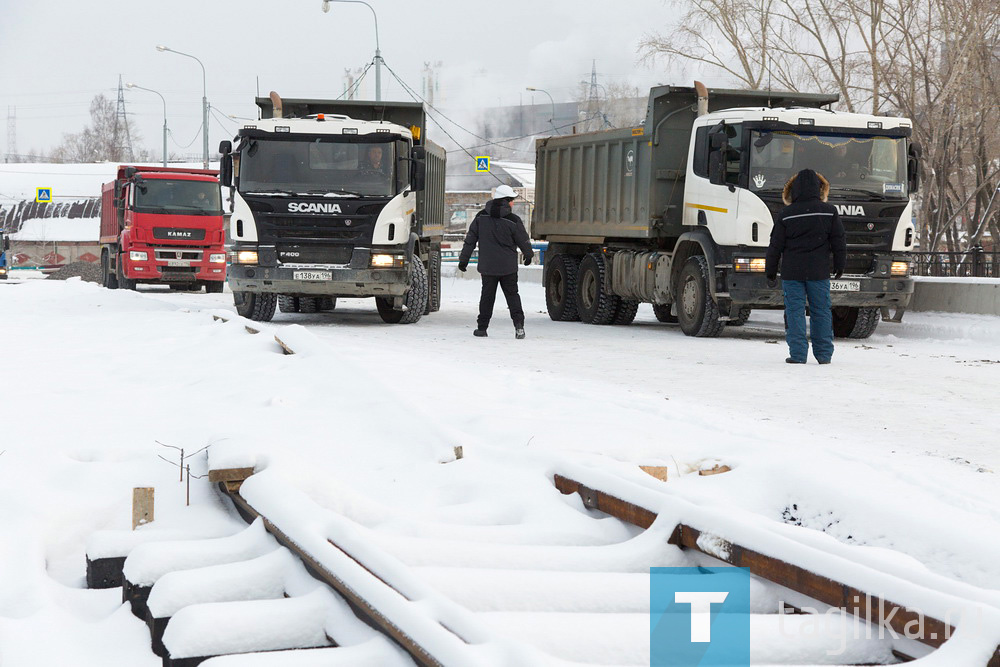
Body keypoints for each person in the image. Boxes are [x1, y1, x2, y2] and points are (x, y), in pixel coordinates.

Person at [765, 168, 846, 364]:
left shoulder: (786, 214)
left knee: (794, 311)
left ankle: (798, 354)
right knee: (821, 311)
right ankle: (824, 355)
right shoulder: (829, 211)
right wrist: (839, 264)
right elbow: (839, 240)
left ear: (794, 190)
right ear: (819, 189)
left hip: (792, 272)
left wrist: (770, 270)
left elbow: (775, 245)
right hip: (819, 272)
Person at [458, 184, 534, 339]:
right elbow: (523, 240)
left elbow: (470, 240)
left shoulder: (481, 217)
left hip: (488, 267)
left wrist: (463, 260)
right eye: (512, 200)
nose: (513, 203)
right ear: (505, 200)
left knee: (487, 297)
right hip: (508, 267)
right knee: (513, 296)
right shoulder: (513, 220)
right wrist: (528, 255)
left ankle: (482, 328)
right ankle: (519, 327)